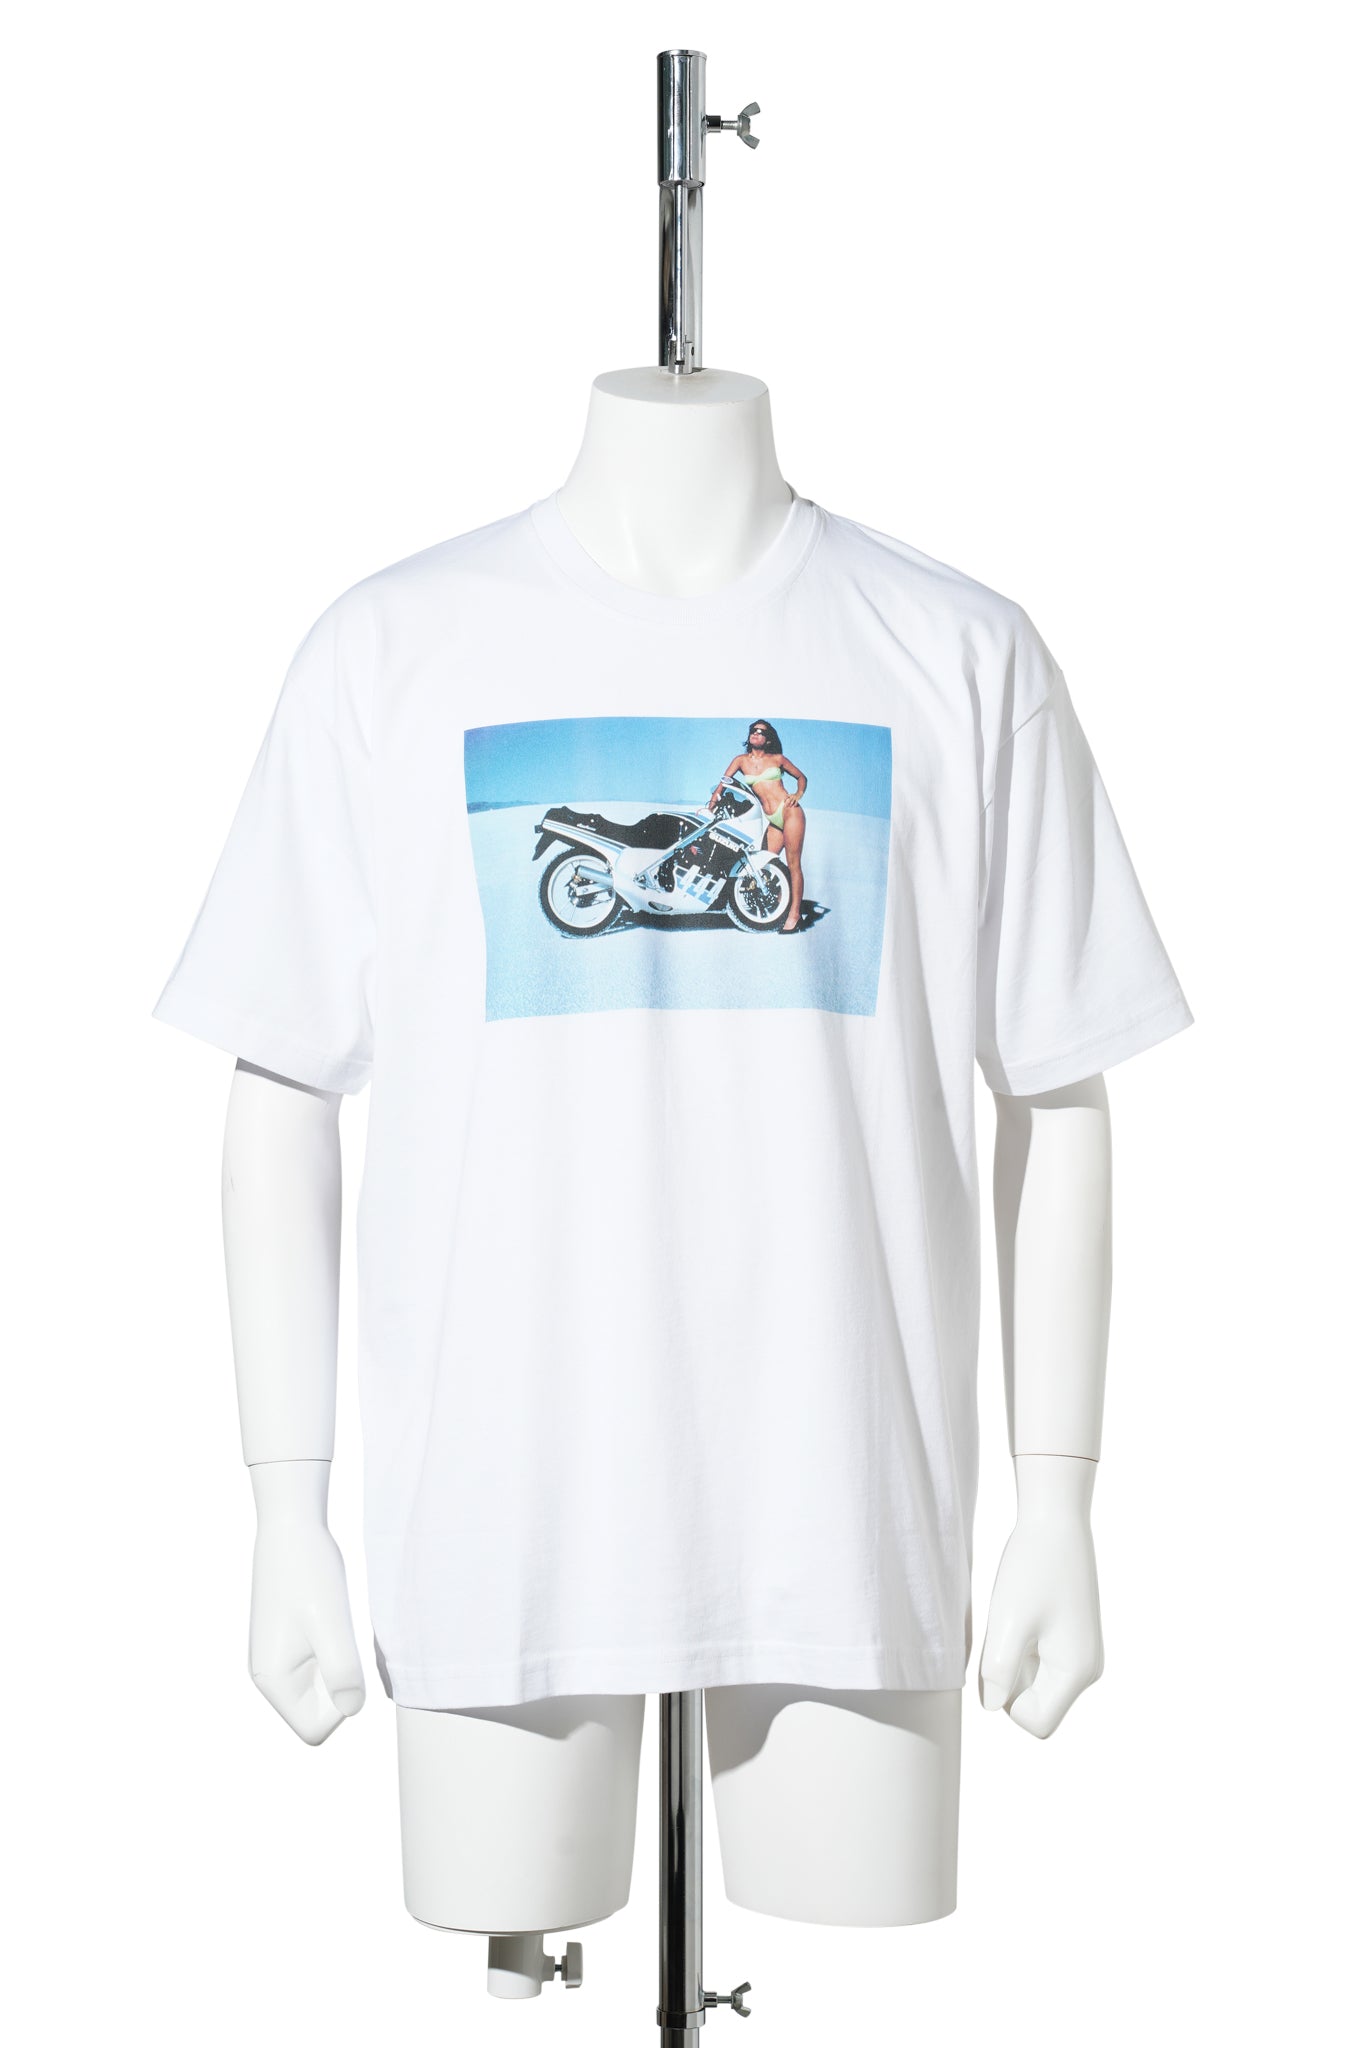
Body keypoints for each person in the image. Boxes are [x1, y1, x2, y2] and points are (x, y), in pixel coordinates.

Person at [710, 719, 807, 932]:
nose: (756, 733)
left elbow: (801, 777)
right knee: (763, 864)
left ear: (768, 739)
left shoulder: (777, 759)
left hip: (789, 812)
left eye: (761, 732)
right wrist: (712, 802)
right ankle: (781, 903)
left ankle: (794, 914)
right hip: (773, 820)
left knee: (793, 864)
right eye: (753, 730)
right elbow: (723, 784)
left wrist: (798, 794)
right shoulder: (740, 761)